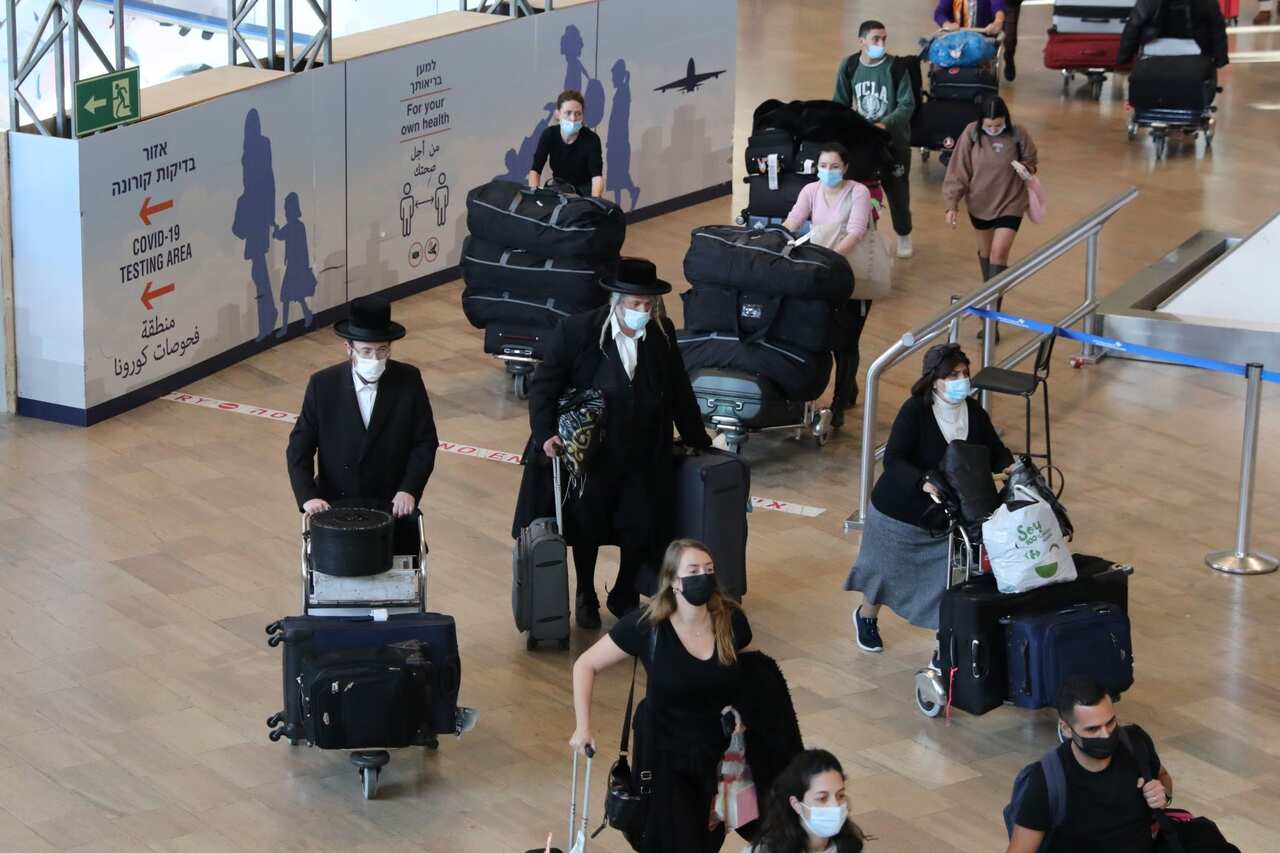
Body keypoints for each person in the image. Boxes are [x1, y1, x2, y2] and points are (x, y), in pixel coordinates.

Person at [512, 258, 711, 629]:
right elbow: (544, 387)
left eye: (648, 305)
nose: (643, 312)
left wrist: (699, 439)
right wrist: (544, 434)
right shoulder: (577, 332)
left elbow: (680, 393)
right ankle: (585, 591)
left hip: (643, 449)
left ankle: (623, 591)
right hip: (593, 454)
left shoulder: (661, 332)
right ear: (617, 301)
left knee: (640, 524)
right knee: (586, 525)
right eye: (636, 305)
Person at [570, 539, 752, 853]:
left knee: (708, 840)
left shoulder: (730, 622)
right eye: (693, 571)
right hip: (662, 752)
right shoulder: (648, 626)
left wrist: (743, 712)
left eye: (708, 571)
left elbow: (749, 673)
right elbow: (586, 664)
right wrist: (582, 726)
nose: (703, 578)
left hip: (713, 752)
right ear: (673, 581)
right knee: (673, 838)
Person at [844, 343, 1012, 653]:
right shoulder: (915, 411)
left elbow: (994, 449)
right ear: (934, 380)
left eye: (964, 373)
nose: (961, 379)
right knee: (884, 571)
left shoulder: (973, 412)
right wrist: (923, 482)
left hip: (945, 513)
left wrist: (1010, 466)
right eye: (952, 375)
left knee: (943, 580)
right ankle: (866, 615)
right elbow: (894, 458)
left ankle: (943, 638)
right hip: (901, 510)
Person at [286, 297, 439, 545]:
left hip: (390, 506)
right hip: (335, 509)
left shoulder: (409, 380)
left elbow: (425, 442)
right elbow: (298, 449)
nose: (375, 359)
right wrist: (307, 497)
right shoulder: (322, 385)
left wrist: (409, 489)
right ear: (349, 348)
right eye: (366, 351)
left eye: (382, 351)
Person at [1006, 676, 1174, 852]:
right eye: (1093, 729)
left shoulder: (1135, 742)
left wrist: (1162, 794)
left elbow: (1163, 777)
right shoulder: (1046, 780)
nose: (1105, 735)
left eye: (1110, 723)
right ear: (1066, 729)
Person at [781, 143, 874, 425]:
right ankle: (848, 388)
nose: (828, 171)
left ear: (845, 167)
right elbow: (794, 220)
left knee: (847, 342)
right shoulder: (810, 190)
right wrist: (778, 239)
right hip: (822, 273)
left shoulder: (859, 191)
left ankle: (839, 403)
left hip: (851, 272)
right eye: (823, 166)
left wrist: (831, 259)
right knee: (822, 333)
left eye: (834, 166)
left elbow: (856, 231)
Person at [941, 96, 1039, 341]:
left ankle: (992, 318)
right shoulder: (971, 135)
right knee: (987, 259)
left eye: (999, 125)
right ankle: (990, 305)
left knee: (998, 255)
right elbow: (958, 169)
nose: (994, 130)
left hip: (1011, 202)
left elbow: (1031, 159)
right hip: (980, 203)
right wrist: (951, 204)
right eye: (989, 126)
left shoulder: (1018, 134)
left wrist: (1027, 169)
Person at [833, 20, 916, 260]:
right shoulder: (849, 66)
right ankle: (859, 234)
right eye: (876, 39)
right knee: (859, 192)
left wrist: (884, 124)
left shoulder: (897, 67)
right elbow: (840, 103)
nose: (881, 43)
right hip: (863, 144)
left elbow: (907, 104)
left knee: (898, 192)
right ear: (862, 41)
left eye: (884, 39)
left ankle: (903, 234)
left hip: (893, 143)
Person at [744, 749, 870, 853]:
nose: (835, 806)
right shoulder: (765, 851)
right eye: (822, 798)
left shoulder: (851, 847)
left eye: (840, 795)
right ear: (796, 804)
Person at [528, 89, 604, 198]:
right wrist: (534, 196)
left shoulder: (591, 139)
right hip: (559, 187)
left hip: (584, 191)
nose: (573, 118)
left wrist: (594, 202)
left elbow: (597, 177)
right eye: (568, 113)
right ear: (557, 114)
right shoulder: (549, 135)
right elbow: (535, 170)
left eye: (578, 114)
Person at [1117, 0, 1229, 68]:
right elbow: (1217, 25)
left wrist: (1124, 56)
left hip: (1154, 50)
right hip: (1193, 50)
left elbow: (1134, 24)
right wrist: (1220, 58)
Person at [273, 192, 316, 336]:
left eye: (287, 208)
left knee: (288, 295)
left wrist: (276, 229)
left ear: (292, 209)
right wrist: (276, 229)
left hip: (296, 267)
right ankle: (305, 316)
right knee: (294, 295)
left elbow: (280, 236)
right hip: (294, 266)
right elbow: (279, 235)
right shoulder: (294, 226)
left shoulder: (296, 226)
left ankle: (286, 327)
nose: (285, 212)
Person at [934, 0, 1006, 33]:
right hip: (955, 38)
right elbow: (939, 13)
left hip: (983, 39)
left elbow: (998, 6)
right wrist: (947, 24)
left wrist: (998, 21)